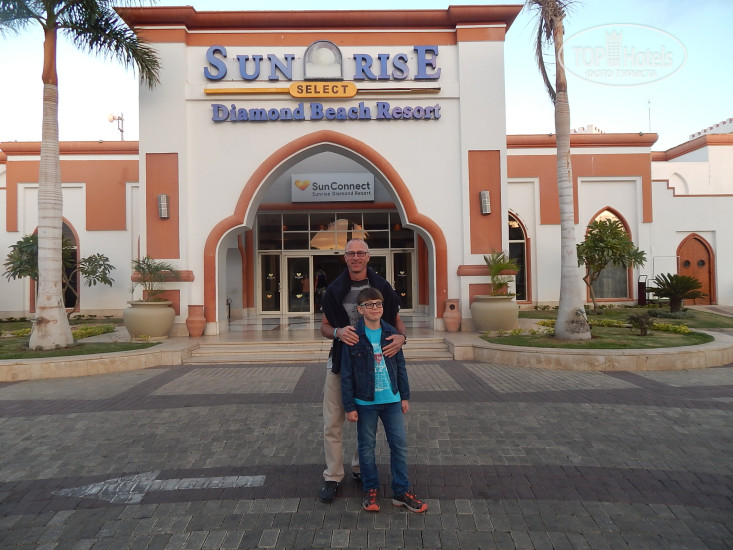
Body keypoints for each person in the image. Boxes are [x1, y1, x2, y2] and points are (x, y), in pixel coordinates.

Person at [318, 238, 407, 503]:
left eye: (360, 253)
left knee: (367, 420)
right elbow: (324, 326)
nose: (355, 257)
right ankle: (333, 476)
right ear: (345, 258)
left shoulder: (382, 287)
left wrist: (402, 338)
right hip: (341, 363)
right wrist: (337, 331)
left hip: (374, 364)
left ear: (368, 256)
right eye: (351, 253)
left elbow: (397, 322)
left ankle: (360, 468)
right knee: (333, 422)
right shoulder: (335, 290)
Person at [341, 287, 428, 513]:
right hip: (365, 403)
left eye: (378, 304)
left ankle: (401, 492)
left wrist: (404, 396)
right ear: (360, 309)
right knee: (366, 447)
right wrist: (349, 406)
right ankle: (370, 490)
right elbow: (347, 375)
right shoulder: (353, 337)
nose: (375, 308)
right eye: (369, 305)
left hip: (392, 401)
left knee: (399, 445)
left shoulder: (392, 334)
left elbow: (401, 367)